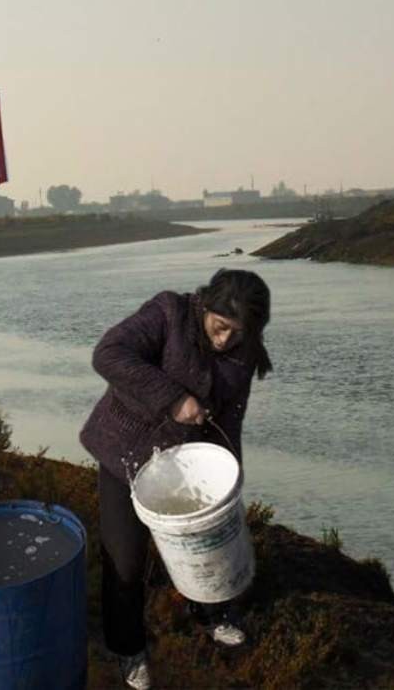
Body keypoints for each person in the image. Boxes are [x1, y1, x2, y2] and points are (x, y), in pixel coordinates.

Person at [79, 269, 273, 690]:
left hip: (187, 465)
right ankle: (128, 650)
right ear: (206, 307)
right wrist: (174, 398)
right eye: (220, 327)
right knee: (126, 563)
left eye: (237, 334)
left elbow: (230, 421)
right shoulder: (169, 312)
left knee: (207, 544)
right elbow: (108, 354)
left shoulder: (245, 353)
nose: (225, 340)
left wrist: (229, 481)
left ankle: (212, 613)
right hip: (125, 456)